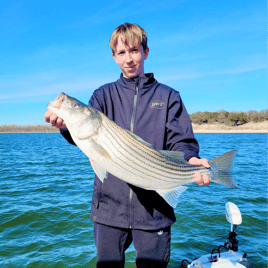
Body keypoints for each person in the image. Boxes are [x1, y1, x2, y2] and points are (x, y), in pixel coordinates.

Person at [44, 23, 210, 268]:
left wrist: (191, 160)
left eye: (134, 50)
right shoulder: (102, 96)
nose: (129, 58)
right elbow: (82, 135)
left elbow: (181, 141)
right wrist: (65, 125)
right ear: (113, 57)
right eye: (121, 53)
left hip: (155, 211)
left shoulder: (168, 96)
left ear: (146, 52)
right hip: (109, 211)